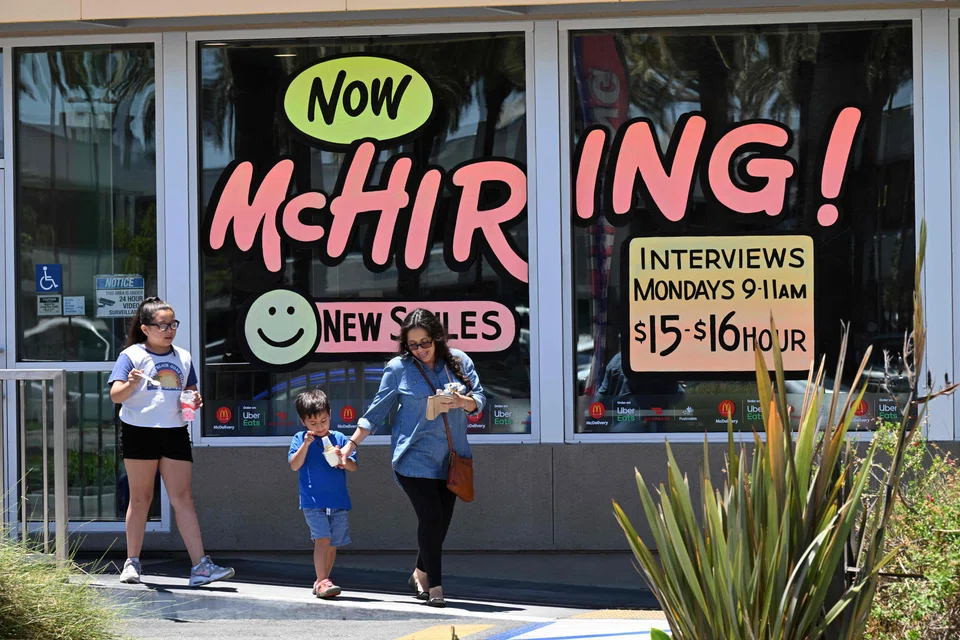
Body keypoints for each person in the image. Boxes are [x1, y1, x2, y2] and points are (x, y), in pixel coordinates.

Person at [338, 309, 485, 608]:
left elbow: (480, 400)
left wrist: (461, 401)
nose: (420, 350)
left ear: (437, 338)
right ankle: (436, 588)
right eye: (413, 345)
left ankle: (419, 572)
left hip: (451, 459)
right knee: (430, 518)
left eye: (425, 342)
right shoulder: (398, 368)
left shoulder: (458, 362)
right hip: (413, 458)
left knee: (439, 525)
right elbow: (376, 411)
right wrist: (351, 444)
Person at [108, 297, 235, 587]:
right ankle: (132, 563)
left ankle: (201, 567)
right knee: (140, 498)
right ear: (145, 328)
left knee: (183, 497)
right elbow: (116, 395)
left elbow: (189, 392)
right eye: (162, 325)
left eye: (173, 324)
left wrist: (195, 400)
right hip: (139, 430)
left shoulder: (184, 357)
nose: (169, 330)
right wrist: (131, 384)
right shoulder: (131, 355)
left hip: (175, 430)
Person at [287, 389, 358, 598]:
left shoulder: (340, 438)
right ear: (303, 422)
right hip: (313, 501)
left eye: (324, 421)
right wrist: (306, 445)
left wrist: (343, 458)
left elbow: (353, 466)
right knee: (322, 539)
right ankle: (322, 581)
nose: (319, 427)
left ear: (330, 414)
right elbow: (294, 465)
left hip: (338, 500)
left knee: (333, 543)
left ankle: (322, 581)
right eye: (313, 423)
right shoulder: (300, 439)